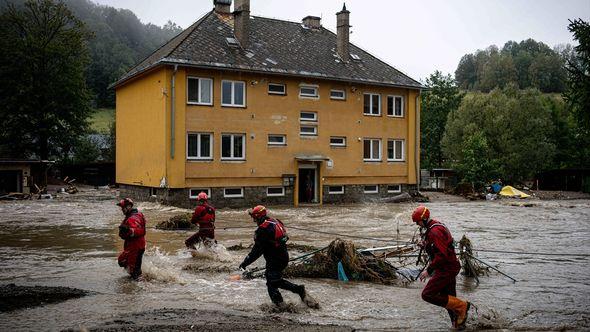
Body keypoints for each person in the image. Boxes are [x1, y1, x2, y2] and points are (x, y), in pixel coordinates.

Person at [239, 205, 319, 309]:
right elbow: (284, 237)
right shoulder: (276, 221)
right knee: (271, 281)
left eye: (255, 218)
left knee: (274, 281)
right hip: (283, 256)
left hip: (275, 259)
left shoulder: (262, 230)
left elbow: (256, 251)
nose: (254, 221)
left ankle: (297, 291)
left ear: (259, 217)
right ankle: (280, 304)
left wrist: (245, 263)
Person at [412, 205, 471, 329]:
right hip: (449, 267)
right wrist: (425, 244)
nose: (417, 225)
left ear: (423, 219)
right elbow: (438, 246)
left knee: (427, 294)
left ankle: (462, 306)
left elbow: (442, 255)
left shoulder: (434, 231)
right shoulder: (434, 226)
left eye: (417, 222)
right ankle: (458, 324)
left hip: (446, 269)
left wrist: (428, 271)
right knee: (449, 298)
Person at [117, 198, 147, 280]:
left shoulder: (133, 218)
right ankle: (139, 278)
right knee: (126, 263)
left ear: (129, 207)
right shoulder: (136, 214)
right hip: (136, 246)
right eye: (122, 208)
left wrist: (129, 230)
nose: (122, 210)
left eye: (123, 208)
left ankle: (138, 286)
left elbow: (138, 230)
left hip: (135, 247)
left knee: (128, 265)